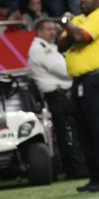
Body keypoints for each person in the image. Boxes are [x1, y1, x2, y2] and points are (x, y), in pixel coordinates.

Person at [57, 0, 99, 192]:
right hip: (81, 81)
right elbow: (61, 44)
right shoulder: (79, 20)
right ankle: (95, 177)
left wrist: (67, 24)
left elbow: (79, 37)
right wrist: (70, 25)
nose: (83, 0)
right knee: (84, 132)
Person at [27, 18, 87, 179]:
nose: (53, 32)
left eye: (54, 29)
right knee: (68, 133)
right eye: (48, 29)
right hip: (57, 96)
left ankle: (75, 168)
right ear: (39, 32)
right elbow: (65, 70)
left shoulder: (50, 47)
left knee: (69, 132)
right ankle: (77, 170)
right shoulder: (40, 49)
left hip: (61, 95)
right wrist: (82, 67)